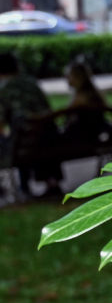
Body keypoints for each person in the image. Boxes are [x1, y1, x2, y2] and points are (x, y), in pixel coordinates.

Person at [0, 52, 60, 198]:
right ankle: (52, 183)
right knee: (29, 138)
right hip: (49, 137)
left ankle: (22, 188)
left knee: (16, 140)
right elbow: (47, 109)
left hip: (23, 143)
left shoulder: (5, 90)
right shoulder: (31, 83)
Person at [61, 61, 108, 146]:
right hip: (93, 135)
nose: (66, 78)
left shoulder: (81, 98)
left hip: (81, 138)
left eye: (69, 75)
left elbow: (67, 116)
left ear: (79, 77)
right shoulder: (93, 94)